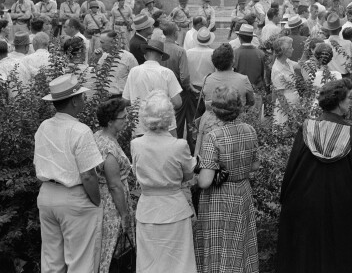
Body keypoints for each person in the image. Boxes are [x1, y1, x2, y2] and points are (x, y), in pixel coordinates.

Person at [277, 80, 352, 273]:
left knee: (307, 255)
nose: (351, 103)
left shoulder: (306, 129)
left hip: (306, 204)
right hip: (344, 209)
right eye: (348, 99)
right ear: (339, 102)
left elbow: (292, 168)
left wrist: (285, 199)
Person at [34, 74, 102, 272]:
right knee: (80, 262)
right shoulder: (80, 130)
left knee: (52, 262)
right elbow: (88, 175)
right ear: (73, 101)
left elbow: (39, 163)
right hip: (73, 197)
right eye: (81, 97)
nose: (83, 100)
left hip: (47, 195)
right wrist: (97, 201)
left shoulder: (43, 126)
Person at [130, 90, 198, 273]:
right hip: (174, 208)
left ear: (144, 117)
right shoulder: (179, 146)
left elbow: (136, 172)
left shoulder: (136, 144)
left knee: (149, 263)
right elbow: (189, 175)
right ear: (169, 116)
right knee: (179, 263)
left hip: (148, 209)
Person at [196, 86, 260, 273]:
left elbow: (204, 182)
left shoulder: (213, 137)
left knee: (220, 245)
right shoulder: (250, 130)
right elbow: (255, 165)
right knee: (241, 242)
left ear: (215, 109)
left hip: (220, 195)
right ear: (239, 107)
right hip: (243, 191)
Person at [94, 98, 134, 273]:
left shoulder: (98, 136)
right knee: (114, 249)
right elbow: (115, 185)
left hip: (103, 199)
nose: (127, 121)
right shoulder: (109, 148)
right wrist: (124, 214)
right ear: (110, 122)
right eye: (123, 118)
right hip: (112, 204)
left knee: (106, 248)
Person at [123, 39, 183, 136]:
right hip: (165, 126)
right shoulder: (167, 73)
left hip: (140, 126)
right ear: (160, 57)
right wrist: (163, 110)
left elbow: (125, 100)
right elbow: (178, 102)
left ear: (145, 56)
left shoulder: (134, 72)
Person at [95, 31, 138, 98]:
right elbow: (97, 76)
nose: (100, 45)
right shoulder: (103, 56)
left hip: (121, 97)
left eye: (102, 42)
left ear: (113, 43)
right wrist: (97, 59)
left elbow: (136, 79)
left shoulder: (128, 57)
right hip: (104, 97)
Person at [271, 36, 300, 124]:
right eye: (290, 47)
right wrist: (291, 116)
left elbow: (300, 65)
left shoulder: (287, 61)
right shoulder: (277, 69)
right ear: (284, 50)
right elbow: (280, 96)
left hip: (295, 103)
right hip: (286, 108)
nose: (293, 49)